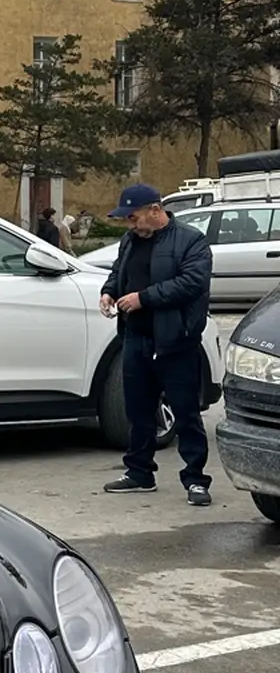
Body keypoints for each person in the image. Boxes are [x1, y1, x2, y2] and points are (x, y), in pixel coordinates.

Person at [100, 183, 215, 506]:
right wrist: (108, 291)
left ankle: (195, 479)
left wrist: (144, 299)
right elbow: (118, 272)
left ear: (155, 210)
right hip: (135, 337)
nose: (131, 225)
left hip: (175, 341)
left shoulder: (191, 241)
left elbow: (192, 283)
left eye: (134, 218)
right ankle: (139, 473)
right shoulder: (131, 241)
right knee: (137, 410)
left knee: (185, 412)